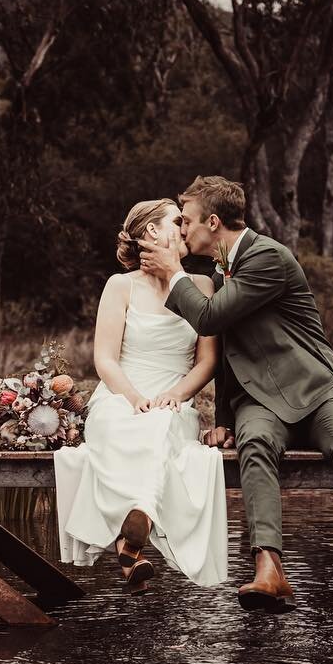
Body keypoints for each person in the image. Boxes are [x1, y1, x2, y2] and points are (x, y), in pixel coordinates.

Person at [137, 175, 333, 638]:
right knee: (256, 443)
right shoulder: (223, 268)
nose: (180, 230)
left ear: (214, 222)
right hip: (258, 400)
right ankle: (269, 568)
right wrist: (224, 419)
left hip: (316, 389)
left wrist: (172, 273)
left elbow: (208, 318)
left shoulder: (266, 257)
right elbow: (225, 347)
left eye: (185, 220)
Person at [53, 198, 229, 592]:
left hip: (174, 395)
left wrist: (175, 394)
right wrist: (132, 397)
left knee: (163, 426)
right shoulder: (120, 286)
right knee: (122, 425)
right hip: (122, 393)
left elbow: (206, 362)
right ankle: (134, 535)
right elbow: (105, 359)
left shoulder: (202, 286)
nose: (185, 229)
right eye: (176, 222)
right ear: (151, 232)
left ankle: (131, 536)